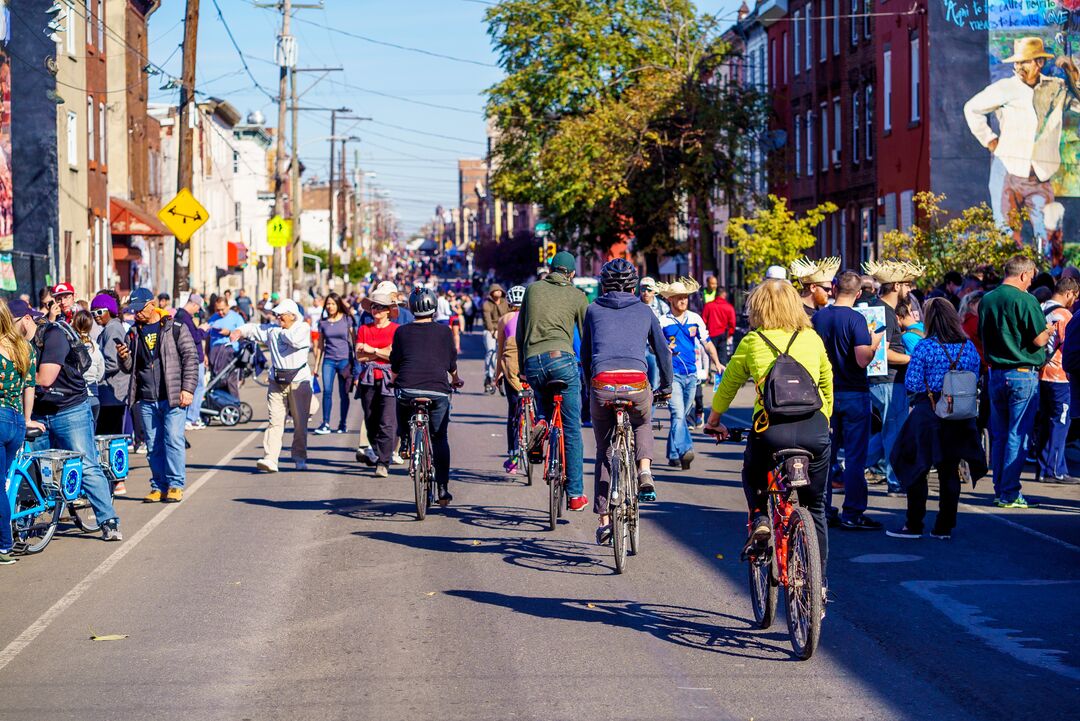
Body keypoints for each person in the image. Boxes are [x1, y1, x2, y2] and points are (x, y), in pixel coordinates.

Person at [706, 279, 833, 585]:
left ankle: (761, 517)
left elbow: (728, 386)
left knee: (753, 473)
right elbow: (827, 384)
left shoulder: (753, 341)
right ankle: (818, 581)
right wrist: (824, 420)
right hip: (814, 431)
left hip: (771, 431)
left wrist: (713, 421)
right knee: (814, 506)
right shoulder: (812, 338)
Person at [581, 259, 673, 545]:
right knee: (643, 421)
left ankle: (604, 519)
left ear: (603, 285)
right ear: (634, 286)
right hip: (635, 383)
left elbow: (585, 355)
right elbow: (662, 352)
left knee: (605, 449)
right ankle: (644, 469)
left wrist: (589, 389)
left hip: (602, 383)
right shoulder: (645, 311)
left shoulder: (593, 310)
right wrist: (666, 386)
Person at [24, 297, 122, 541]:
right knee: (33, 468)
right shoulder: (16, 343)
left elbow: (45, 378)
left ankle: (108, 520)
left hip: (71, 409)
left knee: (86, 463)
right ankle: (25, 523)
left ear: (26, 319)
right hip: (38, 412)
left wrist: (16, 376)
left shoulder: (53, 336)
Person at [888, 299, 985, 539]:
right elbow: (976, 375)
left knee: (917, 466)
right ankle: (944, 526)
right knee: (949, 470)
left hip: (929, 412)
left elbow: (911, 382)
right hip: (960, 414)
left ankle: (914, 524)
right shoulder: (968, 346)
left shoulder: (925, 347)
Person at [979, 255, 1055, 507]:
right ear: (1023, 274)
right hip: (1022, 372)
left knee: (1000, 435)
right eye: (1031, 278)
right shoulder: (1026, 299)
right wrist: (1049, 330)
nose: (1030, 282)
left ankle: (1001, 488)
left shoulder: (987, 299)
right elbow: (1039, 340)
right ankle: (1009, 492)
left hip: (996, 373)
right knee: (1017, 435)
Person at [517, 251, 590, 511]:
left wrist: (522, 368)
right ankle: (575, 494)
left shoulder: (533, 290)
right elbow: (587, 336)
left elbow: (520, 332)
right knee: (571, 428)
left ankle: (542, 422)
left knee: (543, 393)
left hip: (533, 362)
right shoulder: (577, 295)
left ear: (550, 268)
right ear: (571, 274)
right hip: (562, 360)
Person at [813, 271, 884, 530]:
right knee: (855, 456)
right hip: (854, 391)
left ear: (833, 289)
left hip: (825, 392)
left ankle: (823, 509)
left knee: (825, 456)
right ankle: (852, 512)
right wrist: (875, 342)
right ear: (857, 294)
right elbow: (862, 359)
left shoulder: (817, 317)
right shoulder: (857, 319)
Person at [116, 289, 198, 503]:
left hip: (172, 395)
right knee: (153, 445)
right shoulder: (133, 332)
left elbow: (191, 358)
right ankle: (158, 485)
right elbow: (130, 368)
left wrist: (187, 389)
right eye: (133, 311)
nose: (136, 315)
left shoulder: (175, 327)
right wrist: (123, 358)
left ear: (151, 305)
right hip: (146, 397)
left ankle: (175, 484)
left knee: (173, 439)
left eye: (139, 310)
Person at [390, 287, 463, 506]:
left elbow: (395, 363)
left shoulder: (401, 332)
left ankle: (404, 441)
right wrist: (456, 379)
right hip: (437, 390)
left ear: (411, 308)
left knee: (401, 402)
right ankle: (442, 488)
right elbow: (451, 364)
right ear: (433, 308)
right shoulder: (444, 331)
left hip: (408, 388)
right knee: (440, 438)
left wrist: (395, 378)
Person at [231, 299, 313, 473]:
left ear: (293, 315)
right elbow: (254, 329)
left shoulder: (302, 328)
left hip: (299, 382)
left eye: (281, 314)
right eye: (277, 314)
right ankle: (270, 458)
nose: (278, 317)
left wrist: (277, 333)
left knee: (300, 424)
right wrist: (240, 331)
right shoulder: (273, 329)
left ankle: (299, 457)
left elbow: (295, 341)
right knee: (274, 422)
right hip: (277, 382)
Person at [863, 260, 923, 495]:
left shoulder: (881, 309)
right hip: (888, 380)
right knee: (894, 433)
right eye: (907, 284)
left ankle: (848, 468)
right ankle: (895, 481)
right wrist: (912, 360)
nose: (909, 290)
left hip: (886, 381)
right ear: (896, 285)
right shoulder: (885, 313)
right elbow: (882, 353)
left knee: (887, 431)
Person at [657, 277, 723, 470]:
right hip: (673, 376)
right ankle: (686, 450)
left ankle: (672, 453)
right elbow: (655, 347)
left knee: (682, 415)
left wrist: (717, 363)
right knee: (678, 414)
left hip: (692, 376)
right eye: (679, 297)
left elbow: (707, 342)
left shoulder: (695, 318)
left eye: (685, 297)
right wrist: (664, 350)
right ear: (671, 300)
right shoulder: (662, 322)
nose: (683, 301)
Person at [0, 299, 45, 565]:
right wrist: (27, 419)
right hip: (15, 421)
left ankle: (4, 545)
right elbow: (30, 386)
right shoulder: (24, 347)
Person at [1035, 277, 1079, 483]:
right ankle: (1055, 470)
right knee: (1060, 423)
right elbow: (1068, 346)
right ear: (1069, 293)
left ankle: (1044, 467)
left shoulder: (1041, 308)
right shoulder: (1064, 314)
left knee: (1045, 422)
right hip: (1059, 376)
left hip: (1040, 374)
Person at [355, 285, 399, 478]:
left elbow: (394, 356)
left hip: (390, 379)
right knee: (371, 419)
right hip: (368, 380)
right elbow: (359, 356)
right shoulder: (364, 329)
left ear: (388, 310)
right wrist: (382, 352)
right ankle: (377, 449)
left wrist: (371, 350)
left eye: (380, 307)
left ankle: (383, 461)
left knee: (387, 421)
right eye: (374, 307)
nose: (376, 310)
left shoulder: (396, 330)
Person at [90, 293, 130, 443]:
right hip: (111, 394)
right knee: (109, 438)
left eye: (100, 312)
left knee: (109, 439)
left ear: (110, 311)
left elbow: (113, 362)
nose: (96, 316)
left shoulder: (112, 329)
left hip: (113, 394)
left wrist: (93, 373)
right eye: (93, 313)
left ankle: (113, 467)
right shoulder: (108, 328)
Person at [494, 285, 526, 474]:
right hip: (529, 367)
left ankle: (513, 457)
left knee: (513, 413)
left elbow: (500, 350)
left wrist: (498, 372)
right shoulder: (531, 317)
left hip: (511, 367)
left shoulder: (504, 319)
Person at [313, 292, 354, 435]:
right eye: (328, 304)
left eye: (333, 304)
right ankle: (325, 423)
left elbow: (354, 341)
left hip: (344, 360)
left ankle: (343, 423)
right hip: (328, 361)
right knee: (327, 392)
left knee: (344, 394)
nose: (330, 306)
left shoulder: (346, 319)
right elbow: (320, 345)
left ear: (338, 305)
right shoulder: (323, 322)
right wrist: (316, 367)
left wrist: (356, 362)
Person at [173, 293, 208, 431]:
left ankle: (190, 417)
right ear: (194, 304)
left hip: (195, 357)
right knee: (197, 387)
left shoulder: (184, 316)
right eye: (198, 308)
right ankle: (191, 418)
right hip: (192, 358)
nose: (198, 311)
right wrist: (202, 330)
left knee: (196, 387)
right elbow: (193, 338)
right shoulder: (183, 317)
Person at [207, 295, 244, 400]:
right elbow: (208, 337)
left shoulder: (236, 318)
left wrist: (228, 333)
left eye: (222, 310)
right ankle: (219, 404)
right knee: (216, 380)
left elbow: (244, 336)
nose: (220, 313)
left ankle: (234, 404)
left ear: (228, 306)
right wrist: (206, 354)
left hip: (230, 351)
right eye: (217, 310)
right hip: (215, 352)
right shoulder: (213, 318)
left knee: (230, 381)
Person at [72, 310, 104, 425]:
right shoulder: (95, 347)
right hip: (94, 397)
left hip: (77, 398)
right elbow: (101, 373)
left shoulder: (71, 346)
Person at [482, 284, 508, 394]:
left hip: (502, 329)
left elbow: (508, 316)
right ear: (492, 292)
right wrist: (492, 331)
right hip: (490, 330)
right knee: (491, 352)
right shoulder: (487, 304)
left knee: (504, 353)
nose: (499, 292)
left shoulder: (505, 303)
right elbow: (487, 319)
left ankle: (503, 376)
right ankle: (489, 376)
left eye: (500, 290)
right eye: (496, 291)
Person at [702, 288, 737, 365]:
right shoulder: (729, 307)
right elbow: (732, 323)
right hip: (723, 334)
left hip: (710, 334)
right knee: (722, 357)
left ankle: (710, 374)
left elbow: (703, 321)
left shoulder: (708, 306)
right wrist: (730, 334)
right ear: (724, 295)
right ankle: (721, 375)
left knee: (709, 356)